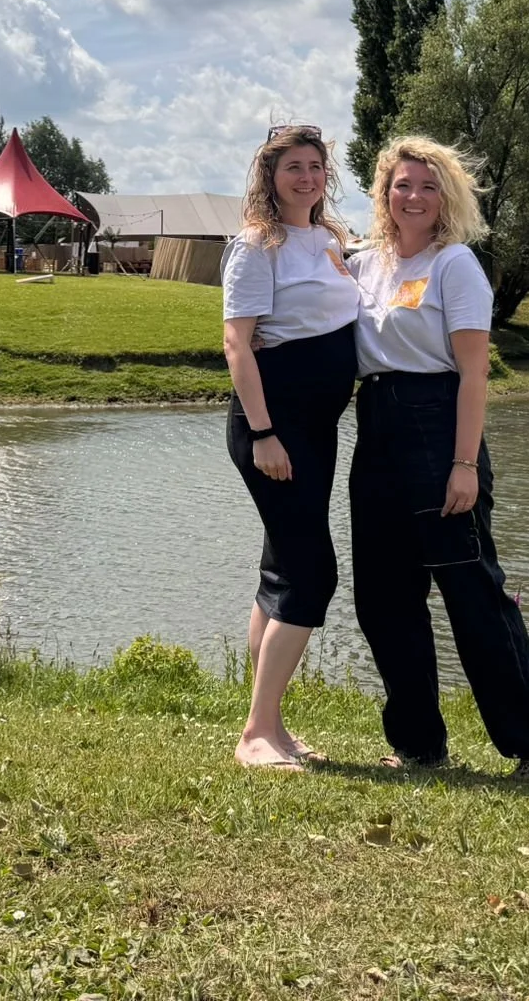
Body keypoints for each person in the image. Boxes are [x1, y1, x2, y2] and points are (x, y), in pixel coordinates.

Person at [348, 136, 529, 781]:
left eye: (428, 186)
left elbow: (474, 373)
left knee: (470, 591)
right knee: (384, 597)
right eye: (401, 184)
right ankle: (420, 746)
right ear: (384, 192)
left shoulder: (456, 266)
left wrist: (464, 465)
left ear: (448, 198)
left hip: (440, 426)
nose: (413, 196)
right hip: (377, 429)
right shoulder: (364, 266)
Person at [220, 123, 361, 771]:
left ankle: (271, 726)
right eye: (292, 168)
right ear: (270, 177)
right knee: (313, 572)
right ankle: (255, 733)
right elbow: (236, 345)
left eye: (314, 166)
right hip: (275, 428)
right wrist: (264, 434)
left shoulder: (329, 239)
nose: (305, 177)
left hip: (318, 428)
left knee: (281, 570)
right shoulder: (257, 244)